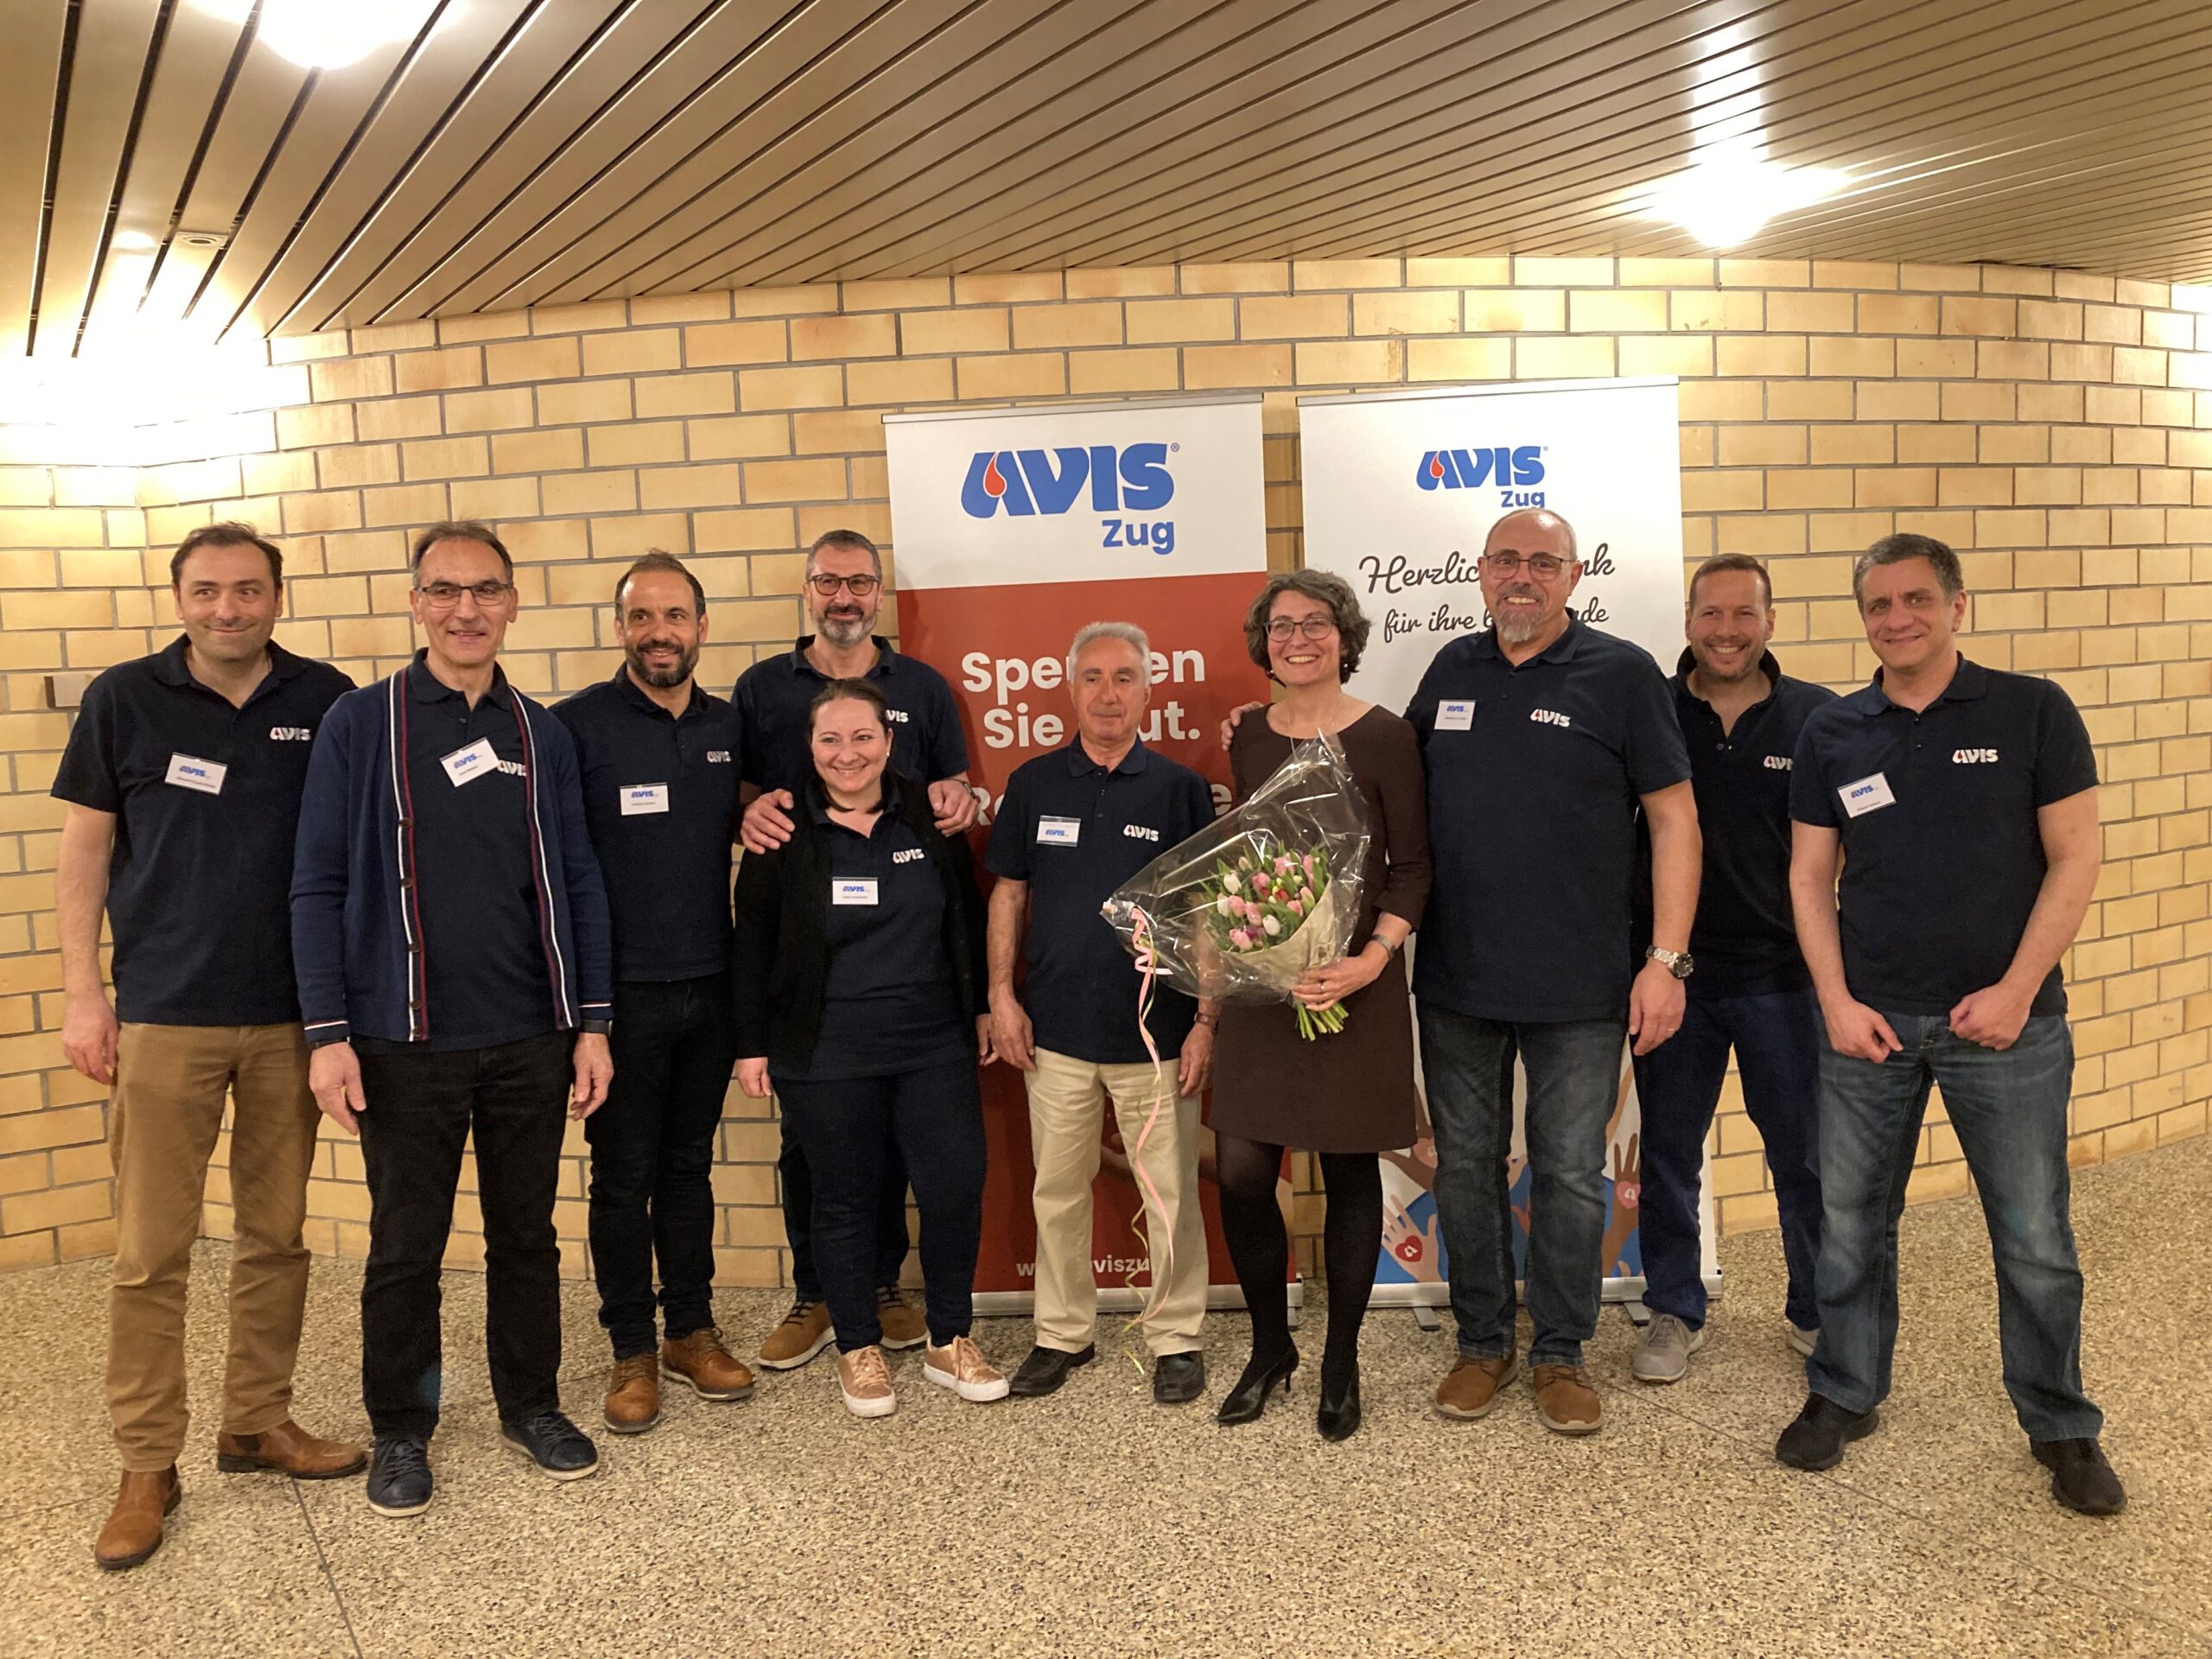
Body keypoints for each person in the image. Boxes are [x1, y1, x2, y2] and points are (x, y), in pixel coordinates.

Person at [1779, 533, 2123, 1516]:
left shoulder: (2033, 711)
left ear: (1957, 605)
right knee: (1851, 1226)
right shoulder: (1833, 731)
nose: (1897, 619)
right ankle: (1845, 1390)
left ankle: (2061, 1424)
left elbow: (2076, 857)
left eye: (1916, 599)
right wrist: (1836, 1001)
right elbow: (1808, 875)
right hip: (1870, 1029)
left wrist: (2017, 989)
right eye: (1878, 605)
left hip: (2007, 1029)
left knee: (2033, 1237)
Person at [54, 523, 363, 1571]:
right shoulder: (123, 699)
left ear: (279, 596)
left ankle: (256, 1422)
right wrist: (84, 995)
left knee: (276, 1236)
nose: (227, 609)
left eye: (246, 590)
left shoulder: (327, 700)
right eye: (206, 591)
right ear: (179, 597)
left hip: (291, 1019)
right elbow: (84, 853)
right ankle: (147, 1463)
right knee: (151, 1252)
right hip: (163, 1016)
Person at [291, 521, 615, 1518]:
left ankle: (531, 1405)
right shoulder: (361, 723)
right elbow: (316, 883)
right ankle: (402, 1427)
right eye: (445, 590)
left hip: (529, 1037)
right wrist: (326, 1033)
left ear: (512, 603)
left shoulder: (540, 734)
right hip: (403, 1040)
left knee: (526, 1238)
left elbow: (579, 880)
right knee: (406, 1248)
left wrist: (592, 1022)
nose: (465, 610)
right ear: (416, 603)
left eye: (485, 591)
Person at [1407, 507, 1700, 1437]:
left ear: (1574, 576)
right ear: (1481, 572)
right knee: (1465, 1167)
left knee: (1571, 1173)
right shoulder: (1450, 669)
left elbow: (1675, 822)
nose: (1521, 577)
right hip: (1457, 977)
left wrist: (1665, 960)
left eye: (1542, 562)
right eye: (1506, 561)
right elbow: (1393, 789)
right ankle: (1483, 1341)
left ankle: (1561, 1352)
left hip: (1582, 983)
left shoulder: (1622, 674)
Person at [733, 529, 976, 1370]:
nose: (844, 596)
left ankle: (881, 1290)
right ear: (808, 589)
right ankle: (820, 1297)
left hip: (916, 1008)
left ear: (879, 592)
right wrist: (747, 812)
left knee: (912, 1156)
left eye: (860, 582)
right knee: (817, 1158)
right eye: (828, 581)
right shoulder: (762, 688)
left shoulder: (924, 688)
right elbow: (742, 794)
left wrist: (963, 795)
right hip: (816, 999)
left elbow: (953, 791)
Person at [1211, 571, 1430, 1443]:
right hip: (1264, 988)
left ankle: (1341, 1361)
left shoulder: (1387, 737)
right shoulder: (1246, 736)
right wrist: (1256, 945)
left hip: (1355, 990)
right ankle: (1272, 1349)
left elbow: (1412, 867)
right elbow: (1249, 859)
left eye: (1315, 623)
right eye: (1281, 626)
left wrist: (1369, 961)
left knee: (1347, 1175)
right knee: (1240, 1173)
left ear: (1345, 637)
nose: (1297, 638)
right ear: (1262, 643)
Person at [986, 622, 1218, 1407]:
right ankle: (1062, 1334)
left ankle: (1176, 1337)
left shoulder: (1180, 789)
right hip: (1054, 1033)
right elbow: (1009, 894)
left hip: (1157, 1036)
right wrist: (1001, 995)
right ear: (1071, 689)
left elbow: (1207, 914)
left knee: (1169, 1196)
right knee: (1056, 1191)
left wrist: (1207, 1021)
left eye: (1124, 678)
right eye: (1093, 678)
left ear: (1149, 690)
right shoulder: (1033, 784)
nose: (1108, 694)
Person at [551, 552, 753, 1435]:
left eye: (675, 616)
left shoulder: (729, 725)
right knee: (621, 1176)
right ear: (620, 628)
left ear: (701, 627)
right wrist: (581, 1015)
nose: (658, 633)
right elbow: (555, 870)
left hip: (710, 985)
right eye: (642, 617)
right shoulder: (575, 727)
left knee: (687, 1168)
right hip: (618, 1000)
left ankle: (691, 1331)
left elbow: (761, 810)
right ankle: (631, 1347)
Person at [1630, 555, 1834, 1383]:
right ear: (1688, 621)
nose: (1726, 631)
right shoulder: (1651, 709)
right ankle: (1674, 1309)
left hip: (1786, 978)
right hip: (1674, 976)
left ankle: (1817, 1311)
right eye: (1710, 614)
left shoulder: (1818, 717)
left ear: (1770, 622)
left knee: (1804, 1157)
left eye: (1743, 614)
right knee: (1669, 1153)